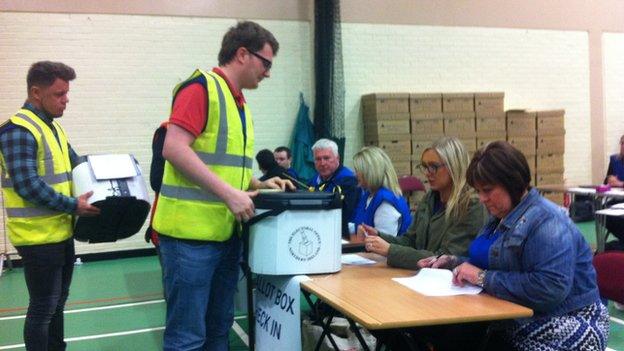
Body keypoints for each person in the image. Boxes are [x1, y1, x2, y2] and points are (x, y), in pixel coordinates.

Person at [151, 21, 293, 351]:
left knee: (218, 330)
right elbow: (173, 148)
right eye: (266, 63)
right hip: (189, 240)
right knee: (187, 337)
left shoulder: (239, 104)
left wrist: (259, 183)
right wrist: (230, 194)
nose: (268, 73)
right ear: (243, 54)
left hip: (225, 236)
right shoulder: (200, 88)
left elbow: (225, 169)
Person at [420, 141, 609, 351]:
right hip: (516, 316)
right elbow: (498, 264)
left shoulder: (548, 221)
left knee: (456, 339)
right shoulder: (501, 215)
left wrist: (482, 277)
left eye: (488, 190)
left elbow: (549, 288)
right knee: (440, 334)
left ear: (512, 183)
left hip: (564, 324)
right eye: (479, 191)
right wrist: (454, 262)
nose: (482, 198)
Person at [0, 61, 100, 351]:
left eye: (67, 93)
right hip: (37, 237)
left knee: (57, 304)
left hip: (59, 232)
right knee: (43, 309)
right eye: (59, 94)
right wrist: (72, 205)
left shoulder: (53, 129)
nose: (66, 99)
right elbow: (27, 184)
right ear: (35, 92)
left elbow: (78, 164)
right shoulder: (18, 130)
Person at [358, 137, 486, 270]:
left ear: (454, 166)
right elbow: (410, 241)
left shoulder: (471, 206)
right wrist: (378, 236)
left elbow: (443, 259)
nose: (427, 173)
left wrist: (390, 250)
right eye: (425, 167)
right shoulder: (430, 199)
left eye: (433, 167)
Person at [352, 146, 412, 236]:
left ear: (370, 172)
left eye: (357, 171)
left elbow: (383, 244)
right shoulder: (369, 194)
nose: (354, 174)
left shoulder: (385, 203)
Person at [308, 138, 359, 236]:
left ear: (337, 158)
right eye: (318, 159)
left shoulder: (349, 181)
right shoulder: (312, 181)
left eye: (326, 158)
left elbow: (345, 213)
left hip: (342, 234)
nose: (322, 163)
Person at [603, 134, 624, 252]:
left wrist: (620, 183)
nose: (623, 146)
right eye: (622, 143)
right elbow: (607, 180)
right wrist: (609, 180)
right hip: (616, 199)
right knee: (602, 211)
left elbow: (618, 183)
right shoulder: (614, 160)